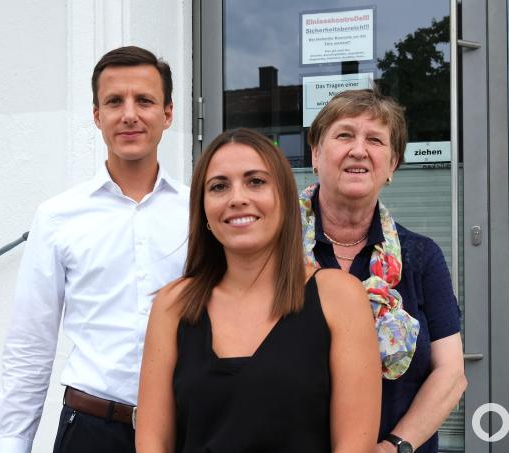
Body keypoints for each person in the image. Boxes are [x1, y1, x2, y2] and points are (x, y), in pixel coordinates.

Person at [135, 128, 382, 452]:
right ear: (204, 210)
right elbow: (153, 443)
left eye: (256, 181)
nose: (237, 198)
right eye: (219, 186)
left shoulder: (340, 297)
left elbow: (355, 446)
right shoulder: (173, 305)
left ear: (284, 199)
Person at [0, 46, 189, 453]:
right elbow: (31, 342)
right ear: (97, 115)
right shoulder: (57, 217)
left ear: (167, 113)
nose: (129, 114)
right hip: (91, 431)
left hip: (186, 426)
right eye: (114, 101)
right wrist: (14, 443)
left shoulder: (199, 212)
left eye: (145, 101)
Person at [301, 89, 467, 453]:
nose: (359, 150)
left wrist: (393, 447)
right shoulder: (274, 254)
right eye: (344, 135)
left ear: (391, 165)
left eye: (375, 140)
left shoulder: (420, 257)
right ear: (315, 153)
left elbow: (450, 375)